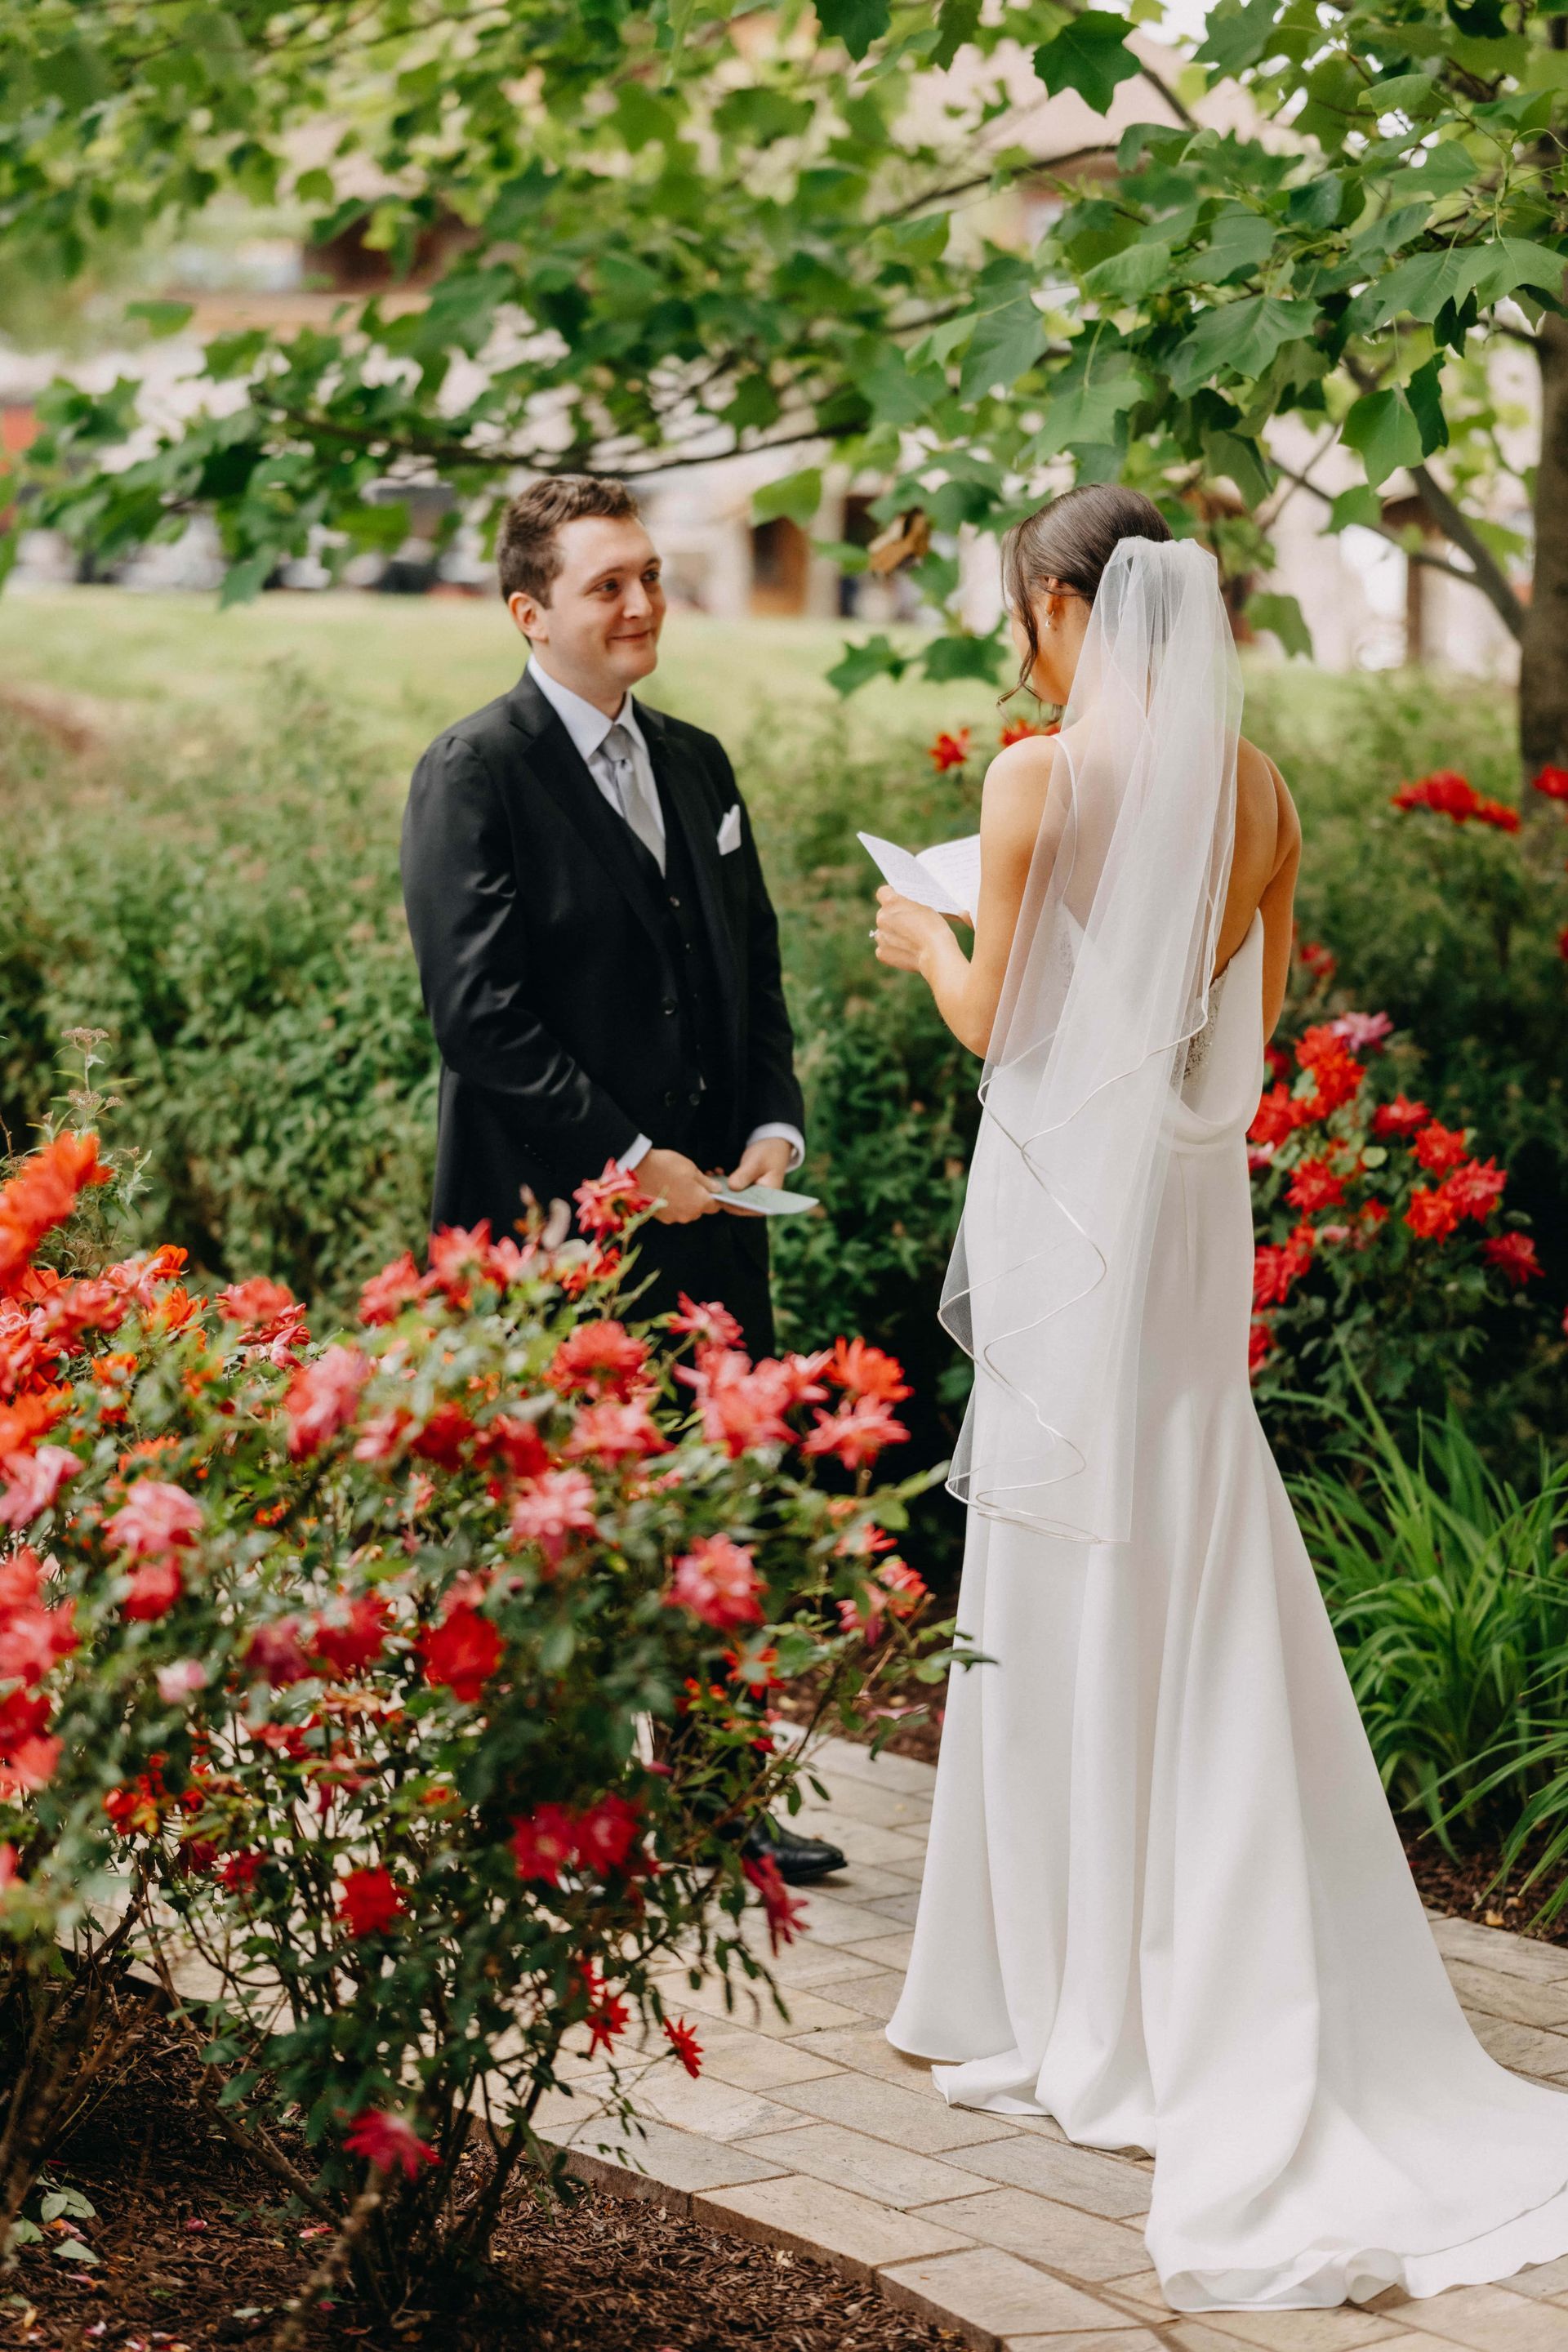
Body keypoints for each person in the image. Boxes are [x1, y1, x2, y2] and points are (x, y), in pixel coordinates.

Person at [871, 485, 1568, 2307]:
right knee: (1178, 1519)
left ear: (1060, 601)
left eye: (1025, 606)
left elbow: (998, 1021)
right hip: (1186, 1218)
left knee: (1057, 1541)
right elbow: (1222, 1036)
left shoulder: (1033, 780)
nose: (1020, 638)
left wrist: (920, 940)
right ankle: (1179, 1952)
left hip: (1069, 1226)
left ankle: (1054, 1989)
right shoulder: (1261, 798)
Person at [402, 473, 843, 1886]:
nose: (644, 603)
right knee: (556, 1516)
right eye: (609, 585)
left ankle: (717, 1797)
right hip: (551, 1226)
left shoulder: (702, 763)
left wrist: (772, 1121)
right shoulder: (475, 772)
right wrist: (623, 1157)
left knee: (721, 1495)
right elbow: (478, 1015)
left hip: (715, 1216)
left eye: (650, 574)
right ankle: (543, 1804)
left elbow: (755, 973)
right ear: (531, 612)